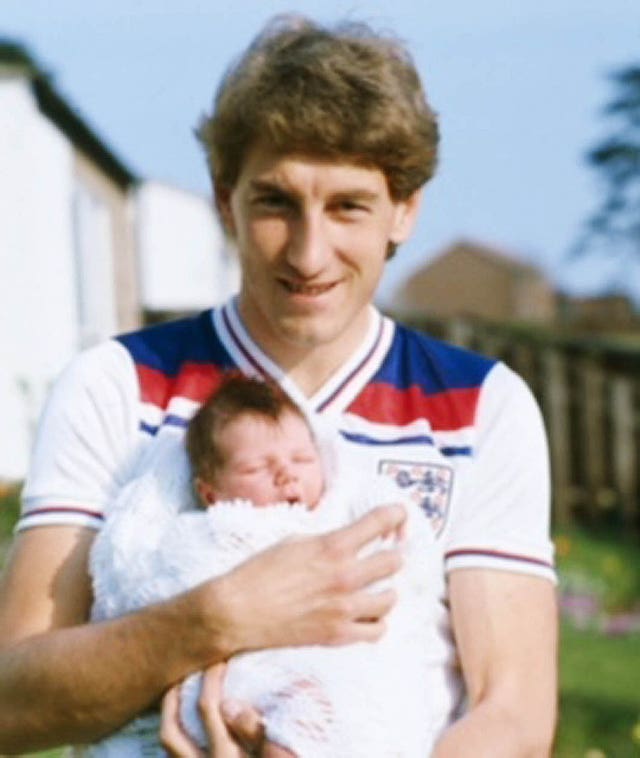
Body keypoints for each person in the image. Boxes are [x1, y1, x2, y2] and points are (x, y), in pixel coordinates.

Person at [0, 14, 558, 757]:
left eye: (348, 205)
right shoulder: (118, 387)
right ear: (223, 196)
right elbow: (12, 703)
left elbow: (513, 715)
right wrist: (219, 616)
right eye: (275, 202)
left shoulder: (481, 408)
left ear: (405, 210)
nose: (309, 251)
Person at [87, 373, 436, 756]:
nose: (287, 473)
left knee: (339, 705)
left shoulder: (335, 521)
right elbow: (159, 584)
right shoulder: (204, 531)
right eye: (256, 468)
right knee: (303, 710)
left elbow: (397, 583)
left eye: (302, 459)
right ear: (209, 492)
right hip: (232, 678)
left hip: (323, 669)